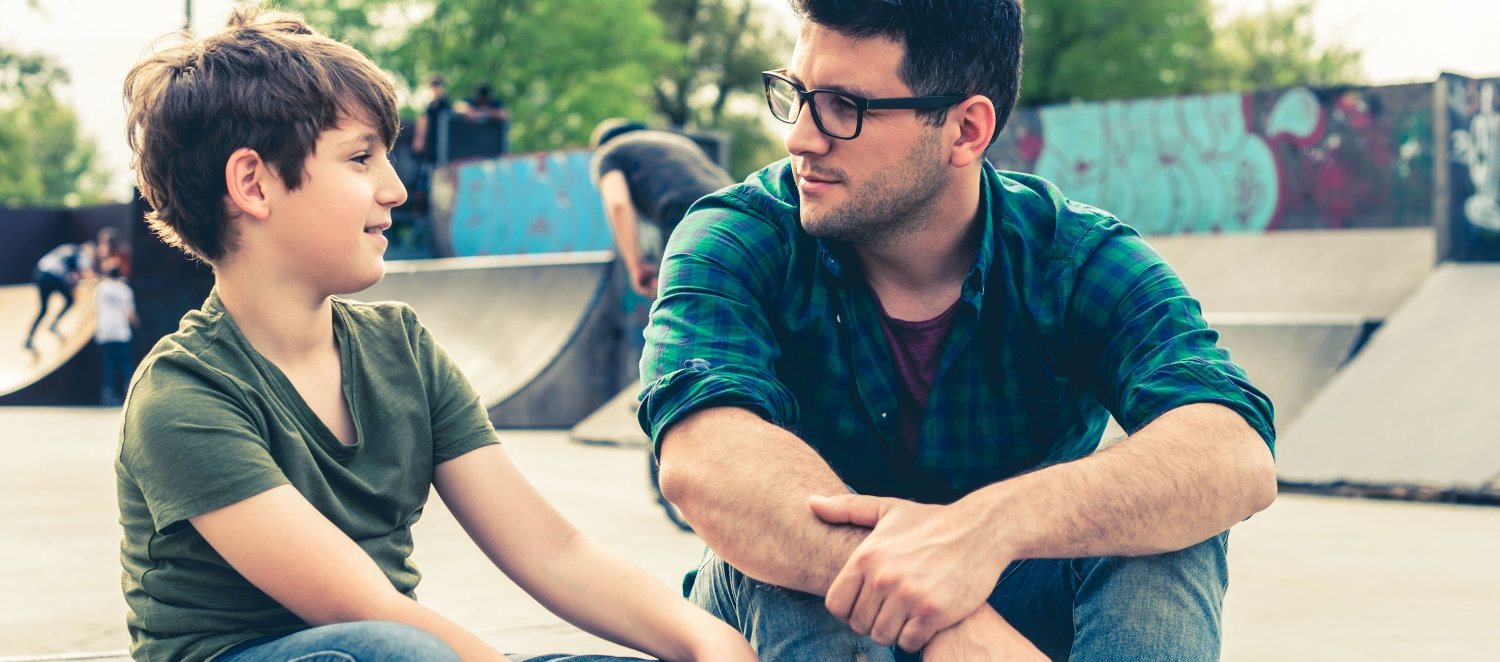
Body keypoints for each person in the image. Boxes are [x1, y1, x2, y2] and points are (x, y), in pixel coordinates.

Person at [639, 1, 1279, 660]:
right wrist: (936, 603)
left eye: (842, 107)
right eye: (795, 95)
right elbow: (702, 456)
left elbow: (1233, 450)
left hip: (1013, 593)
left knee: (1167, 524)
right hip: (784, 613)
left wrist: (986, 529)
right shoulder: (736, 236)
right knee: (787, 547)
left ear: (966, 129)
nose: (801, 137)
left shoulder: (1076, 259)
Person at [116, 8, 757, 662]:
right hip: (310, 650)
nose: (394, 189)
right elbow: (359, 606)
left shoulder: (401, 352)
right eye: (361, 157)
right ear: (253, 183)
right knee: (390, 649)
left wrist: (702, 639)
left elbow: (553, 550)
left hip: (393, 646)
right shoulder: (182, 396)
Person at [589, 120, 733, 298]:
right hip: (738, 209)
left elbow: (618, 204)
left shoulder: (608, 153)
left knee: (678, 300)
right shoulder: (677, 142)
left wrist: (636, 266)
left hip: (690, 218)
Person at [23, 240, 95, 351]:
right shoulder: (81, 254)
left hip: (39, 274)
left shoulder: (68, 248)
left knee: (43, 309)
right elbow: (84, 273)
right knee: (70, 300)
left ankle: (29, 338)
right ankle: (54, 324)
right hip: (52, 276)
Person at [94, 261, 137, 406]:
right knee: (125, 363)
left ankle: (108, 393)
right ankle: (129, 391)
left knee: (109, 364)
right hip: (121, 331)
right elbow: (130, 314)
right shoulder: (125, 289)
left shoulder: (101, 288)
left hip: (105, 331)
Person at [412, 74, 453, 162]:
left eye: (437, 85)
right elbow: (423, 121)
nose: (436, 89)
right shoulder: (430, 106)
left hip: (444, 146)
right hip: (432, 146)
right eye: (434, 86)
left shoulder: (446, 104)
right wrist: (419, 140)